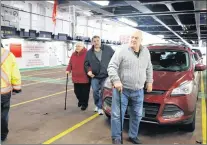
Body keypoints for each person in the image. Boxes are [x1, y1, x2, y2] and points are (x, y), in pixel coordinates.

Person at [107, 30, 153, 144]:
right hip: (122, 90)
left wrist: (149, 81)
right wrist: (116, 80)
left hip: (138, 90)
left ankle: (133, 135)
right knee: (117, 115)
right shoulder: (122, 50)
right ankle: (116, 138)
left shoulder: (146, 51)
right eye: (131, 37)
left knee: (137, 115)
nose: (133, 40)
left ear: (141, 40)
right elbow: (111, 67)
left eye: (136, 38)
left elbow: (149, 67)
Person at [84, 35, 114, 115]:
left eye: (98, 40)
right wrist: (88, 71)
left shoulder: (108, 49)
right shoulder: (89, 53)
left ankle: (100, 107)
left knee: (102, 92)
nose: (96, 42)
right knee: (95, 91)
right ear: (92, 42)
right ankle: (97, 104)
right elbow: (86, 64)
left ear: (100, 41)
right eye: (94, 41)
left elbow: (115, 58)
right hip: (95, 76)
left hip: (106, 75)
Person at [1, 43, 22, 142]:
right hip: (4, 92)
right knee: (4, 114)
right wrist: (17, 87)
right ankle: (2, 135)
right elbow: (15, 73)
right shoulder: (9, 55)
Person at [66, 42, 90, 111]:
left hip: (85, 77)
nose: (77, 47)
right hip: (76, 77)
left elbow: (90, 64)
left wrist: (90, 71)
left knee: (85, 92)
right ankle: (81, 100)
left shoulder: (87, 53)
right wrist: (68, 70)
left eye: (79, 46)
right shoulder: (73, 54)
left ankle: (84, 104)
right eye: (76, 46)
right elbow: (70, 63)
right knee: (76, 91)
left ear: (83, 47)